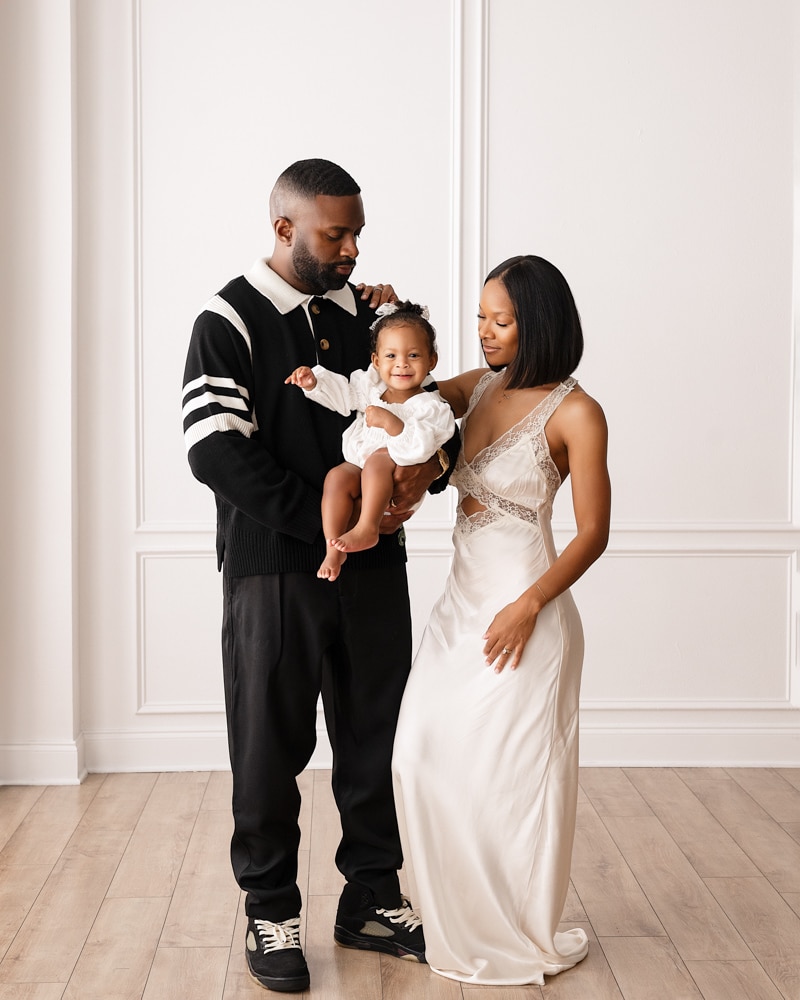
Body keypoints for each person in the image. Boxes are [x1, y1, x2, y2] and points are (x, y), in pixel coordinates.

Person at [181, 159, 456, 993]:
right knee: (270, 746)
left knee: (376, 736)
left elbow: (417, 415)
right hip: (274, 568)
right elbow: (214, 450)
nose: (351, 247)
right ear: (284, 228)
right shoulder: (226, 318)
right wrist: (328, 523)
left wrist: (425, 475)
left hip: (375, 564)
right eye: (335, 233)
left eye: (357, 233)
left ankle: (371, 895)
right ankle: (271, 906)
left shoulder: (371, 316)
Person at [392, 254, 611, 986]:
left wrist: (528, 605)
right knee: (417, 754)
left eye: (500, 320)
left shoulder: (577, 412)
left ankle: (511, 926)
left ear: (538, 322)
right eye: (480, 316)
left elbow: (592, 533)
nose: (483, 332)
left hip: (527, 611)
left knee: (508, 784)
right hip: (462, 604)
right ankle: (454, 912)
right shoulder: (479, 386)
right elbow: (408, 386)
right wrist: (383, 317)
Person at [285, 301, 456, 581]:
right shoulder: (371, 389)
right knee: (337, 477)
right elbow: (344, 395)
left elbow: (423, 449)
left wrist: (394, 425)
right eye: (391, 356)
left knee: (379, 459)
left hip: (397, 481)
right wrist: (314, 383)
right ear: (376, 361)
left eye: (413, 355)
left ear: (431, 361)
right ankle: (333, 546)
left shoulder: (430, 407)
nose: (401, 363)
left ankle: (368, 527)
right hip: (362, 468)